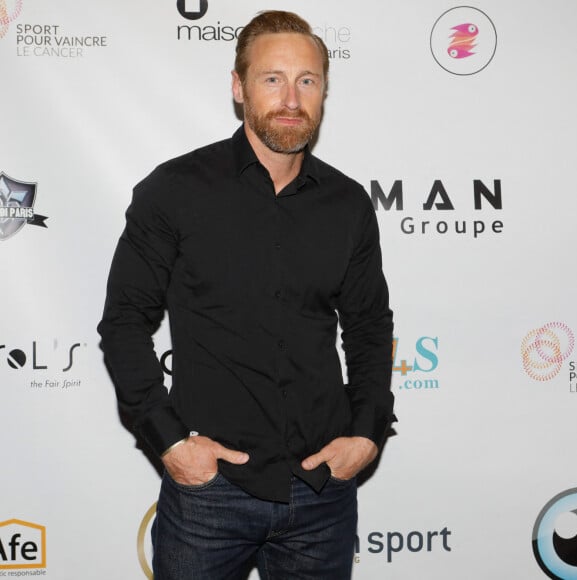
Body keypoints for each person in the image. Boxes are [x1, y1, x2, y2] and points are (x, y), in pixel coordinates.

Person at [98, 10, 394, 580]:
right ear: (239, 87)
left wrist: (366, 432)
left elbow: (369, 326)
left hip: (321, 494)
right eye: (271, 78)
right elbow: (124, 322)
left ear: (324, 91)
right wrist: (170, 442)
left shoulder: (348, 203)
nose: (290, 97)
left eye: (306, 80)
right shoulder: (175, 190)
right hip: (210, 494)